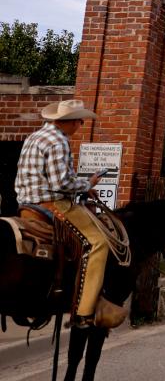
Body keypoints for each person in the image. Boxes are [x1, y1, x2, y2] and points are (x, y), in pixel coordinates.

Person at [15, 99, 107, 328]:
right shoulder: (58, 141)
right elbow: (60, 183)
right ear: (69, 121)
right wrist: (87, 184)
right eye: (79, 121)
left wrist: (85, 185)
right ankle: (84, 311)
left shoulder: (35, 136)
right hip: (50, 203)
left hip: (26, 203)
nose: (81, 125)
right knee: (99, 243)